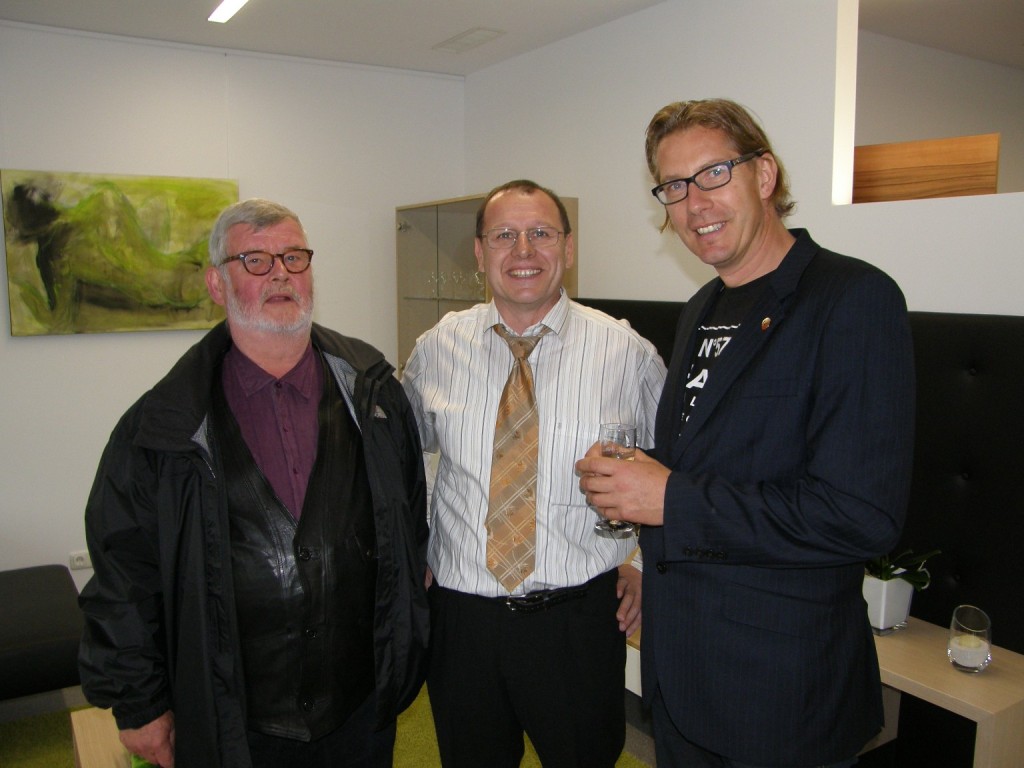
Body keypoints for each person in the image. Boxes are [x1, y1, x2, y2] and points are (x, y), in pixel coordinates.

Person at [576, 99, 915, 768]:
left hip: (780, 696)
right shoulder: (702, 308)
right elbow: (721, 458)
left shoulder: (852, 298)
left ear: (764, 174)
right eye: (674, 186)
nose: (694, 203)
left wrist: (669, 498)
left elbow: (860, 515)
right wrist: (639, 470)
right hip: (684, 681)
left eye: (714, 174)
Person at [78, 198, 429, 768]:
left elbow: (410, 519)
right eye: (256, 261)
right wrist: (139, 703)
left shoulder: (375, 394)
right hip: (235, 720)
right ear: (217, 284)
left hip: (359, 708)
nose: (281, 274)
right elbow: (124, 574)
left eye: (294, 257)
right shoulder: (162, 428)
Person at [401, 179, 666, 768]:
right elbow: (402, 460)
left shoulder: (627, 353)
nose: (523, 250)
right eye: (504, 236)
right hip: (462, 621)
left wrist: (644, 564)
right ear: (479, 252)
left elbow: (673, 469)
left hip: (577, 621)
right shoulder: (437, 348)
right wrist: (413, 547)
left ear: (568, 247)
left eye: (541, 233)